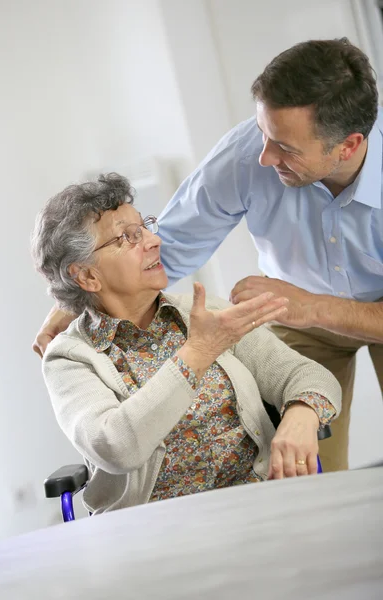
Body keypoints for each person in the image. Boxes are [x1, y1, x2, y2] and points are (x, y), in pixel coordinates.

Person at [33, 38, 382, 473]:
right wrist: (74, 298)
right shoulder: (247, 153)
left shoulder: (209, 318)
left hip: (312, 303)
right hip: (295, 311)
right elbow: (171, 240)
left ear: (347, 146)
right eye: (264, 133)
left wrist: (309, 308)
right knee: (308, 475)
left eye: (286, 149)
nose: (265, 156)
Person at [31, 173, 340, 514]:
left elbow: (310, 376)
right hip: (150, 531)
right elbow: (115, 447)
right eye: (128, 237)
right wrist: (198, 353)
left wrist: (302, 414)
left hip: (257, 505)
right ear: (87, 275)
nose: (153, 241)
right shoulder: (68, 358)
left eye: (145, 227)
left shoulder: (208, 314)